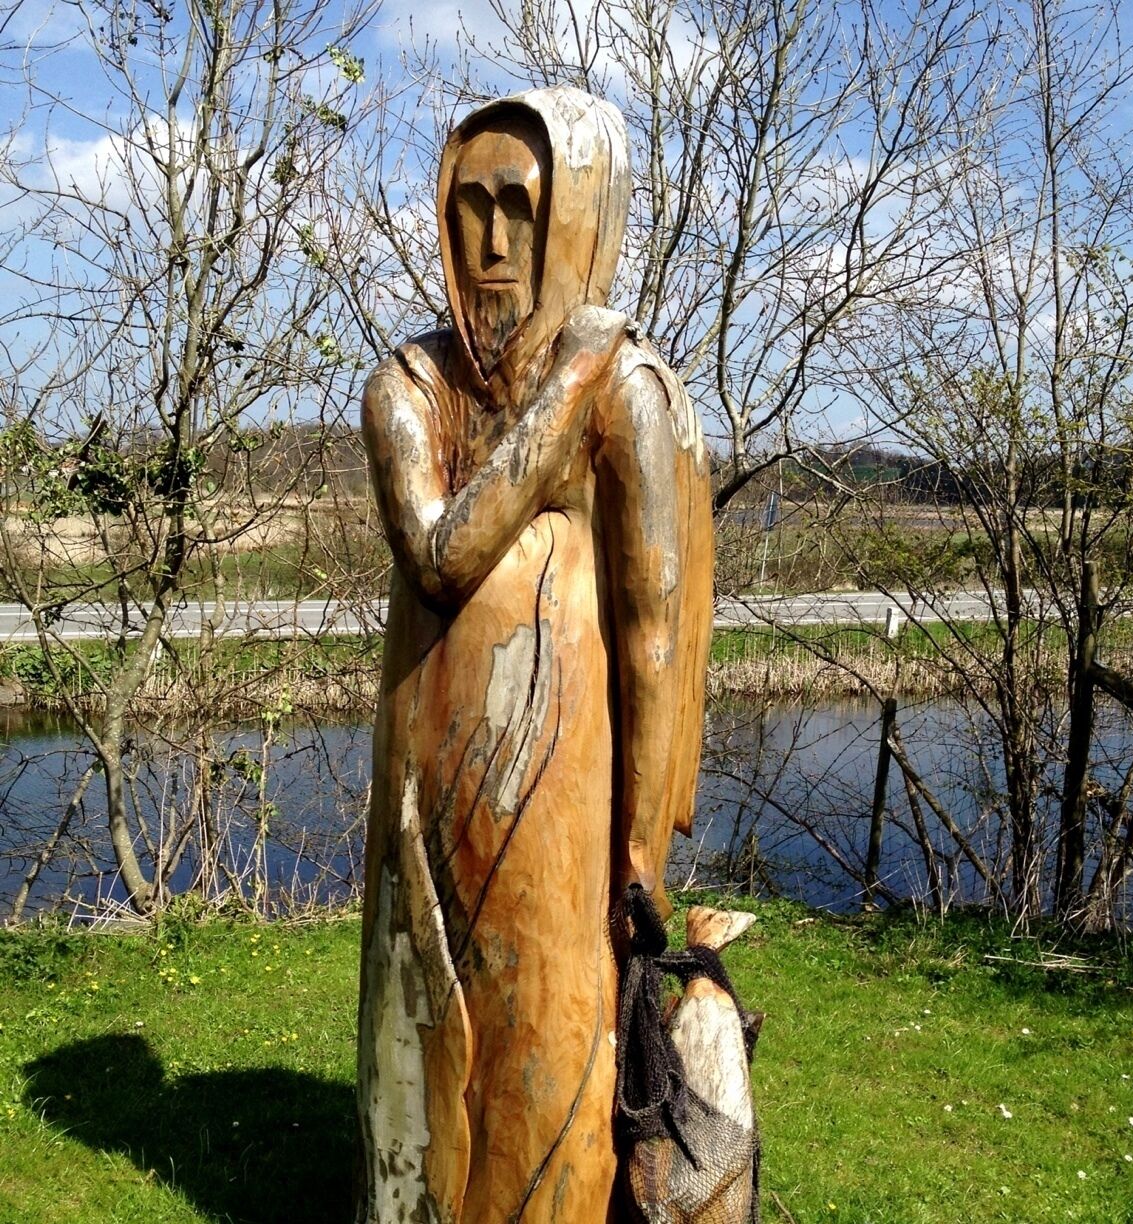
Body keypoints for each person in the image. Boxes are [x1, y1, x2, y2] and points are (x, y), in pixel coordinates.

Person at [356, 85, 712, 1224]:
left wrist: (643, 848)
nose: (495, 239)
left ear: (580, 218)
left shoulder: (638, 396)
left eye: (523, 205)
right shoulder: (407, 388)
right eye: (471, 205)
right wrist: (564, 397)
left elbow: (655, 637)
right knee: (422, 1039)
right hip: (421, 782)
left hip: (563, 798)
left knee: (545, 1052)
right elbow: (438, 558)